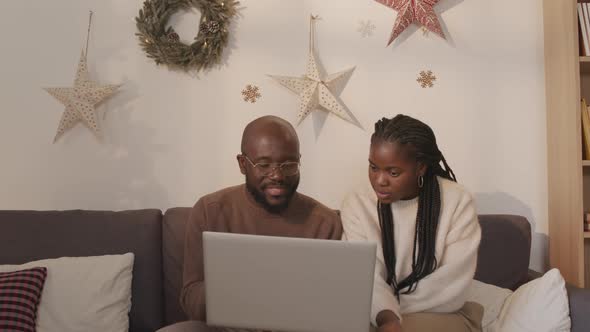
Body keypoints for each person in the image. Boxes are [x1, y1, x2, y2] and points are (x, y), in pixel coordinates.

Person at [173, 115, 342, 332]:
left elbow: (330, 305)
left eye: (288, 164)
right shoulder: (210, 210)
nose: (277, 175)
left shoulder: (326, 222)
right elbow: (190, 297)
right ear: (243, 164)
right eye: (264, 164)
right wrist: (236, 289)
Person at [341, 114, 483, 332]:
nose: (380, 180)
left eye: (393, 172)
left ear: (421, 168)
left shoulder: (457, 202)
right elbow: (363, 277)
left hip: (440, 313)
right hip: (378, 315)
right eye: (373, 167)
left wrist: (389, 311)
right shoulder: (357, 203)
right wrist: (386, 317)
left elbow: (451, 286)